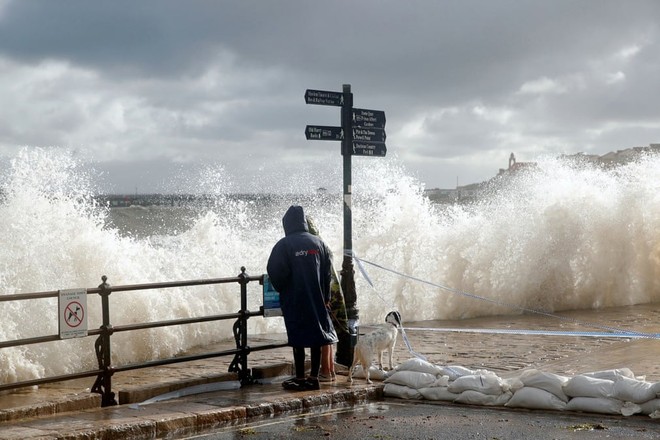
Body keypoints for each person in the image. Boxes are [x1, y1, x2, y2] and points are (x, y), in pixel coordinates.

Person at [267, 205, 338, 391]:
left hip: (295, 298)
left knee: (297, 337)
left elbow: (274, 270)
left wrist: (283, 288)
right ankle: (313, 378)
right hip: (318, 298)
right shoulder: (319, 243)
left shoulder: (284, 245)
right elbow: (327, 273)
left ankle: (299, 377)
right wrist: (326, 296)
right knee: (317, 336)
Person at [306, 216, 348, 382]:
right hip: (333, 292)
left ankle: (325, 370)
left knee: (322, 334)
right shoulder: (322, 243)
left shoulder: (313, 245)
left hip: (326, 294)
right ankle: (329, 370)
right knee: (327, 332)